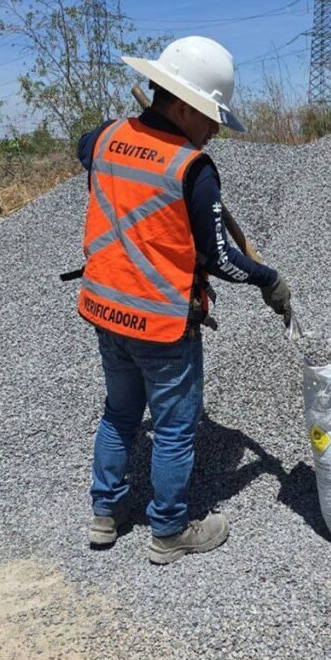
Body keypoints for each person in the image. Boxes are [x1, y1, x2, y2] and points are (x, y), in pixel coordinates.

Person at [74, 36, 291, 565]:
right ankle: (169, 530)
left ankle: (106, 514)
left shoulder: (104, 139)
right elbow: (221, 257)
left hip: (106, 310)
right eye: (212, 116)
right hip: (161, 322)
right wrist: (268, 279)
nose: (216, 128)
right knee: (173, 427)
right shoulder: (193, 169)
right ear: (183, 105)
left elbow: (84, 147)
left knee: (121, 413)